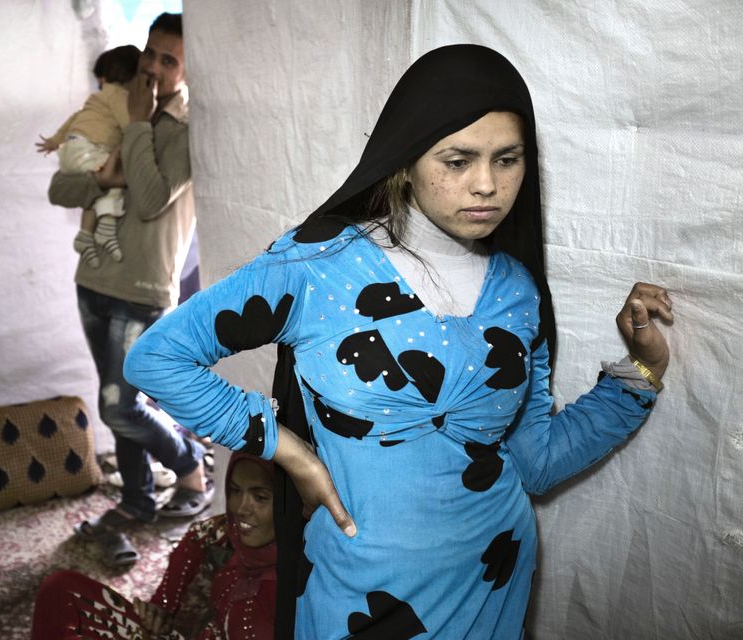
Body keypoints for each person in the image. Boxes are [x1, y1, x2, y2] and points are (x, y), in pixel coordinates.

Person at [122, 44, 674, 638]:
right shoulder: (319, 264)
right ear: (406, 158)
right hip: (358, 595)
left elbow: (535, 461)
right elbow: (158, 357)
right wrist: (289, 453)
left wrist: (639, 372)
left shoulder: (518, 291)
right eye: (458, 160)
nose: (486, 184)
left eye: (507, 159)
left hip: (491, 582)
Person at [47, 12, 212, 567]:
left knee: (119, 408)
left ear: (189, 69)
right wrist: (100, 178)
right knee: (121, 401)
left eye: (170, 60)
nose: (154, 67)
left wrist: (139, 126)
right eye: (151, 53)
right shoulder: (119, 104)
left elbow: (148, 199)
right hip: (93, 279)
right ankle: (140, 499)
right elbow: (59, 187)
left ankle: (190, 468)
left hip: (143, 289)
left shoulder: (190, 125)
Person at [30, 453, 277, 640]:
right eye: (235, 491)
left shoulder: (297, 588)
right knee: (61, 589)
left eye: (261, 497)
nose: (241, 508)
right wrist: (161, 607)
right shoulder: (239, 538)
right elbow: (199, 534)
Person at [36, 45, 141, 265]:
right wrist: (139, 133)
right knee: (112, 178)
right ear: (134, 75)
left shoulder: (98, 98)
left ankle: (85, 235)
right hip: (88, 150)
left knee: (95, 193)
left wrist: (55, 141)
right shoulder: (119, 96)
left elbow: (75, 118)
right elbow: (130, 126)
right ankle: (105, 228)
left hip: (73, 151)